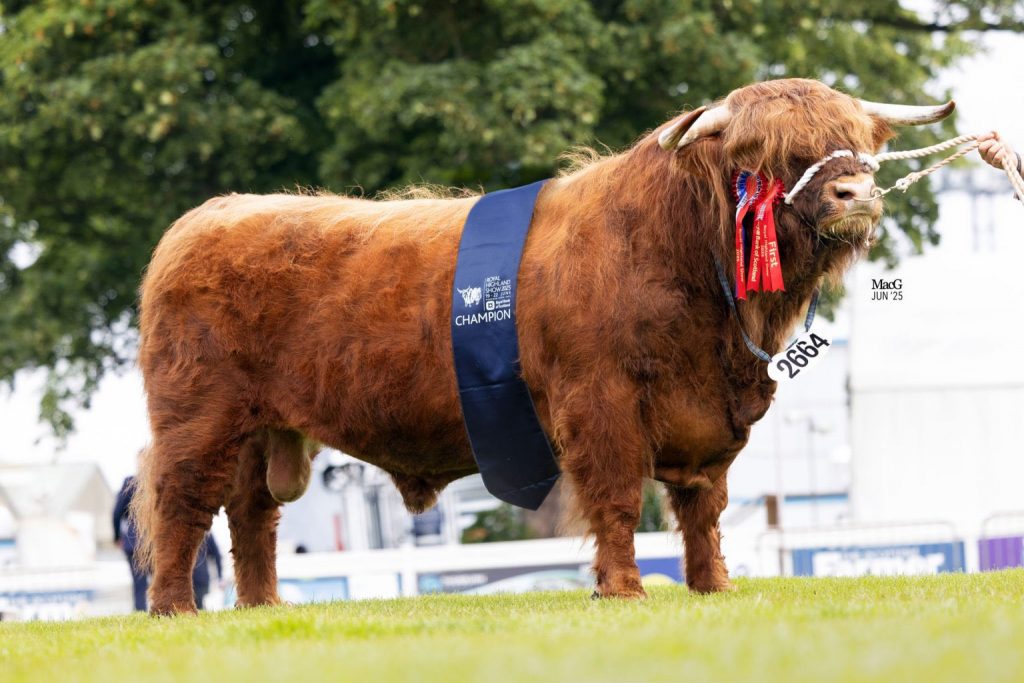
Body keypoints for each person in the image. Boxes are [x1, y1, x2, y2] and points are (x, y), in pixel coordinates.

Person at [112, 475, 147, 611]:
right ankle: (165, 609)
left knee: (139, 583)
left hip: (134, 540)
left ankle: (141, 610)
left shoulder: (130, 483)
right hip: (156, 539)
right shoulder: (161, 478)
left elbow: (116, 513)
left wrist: (117, 537)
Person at [192, 533, 223, 610]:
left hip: (200, 579)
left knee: (199, 606)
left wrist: (220, 577)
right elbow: (217, 555)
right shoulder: (206, 534)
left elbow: (217, 555)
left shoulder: (206, 534)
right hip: (195, 578)